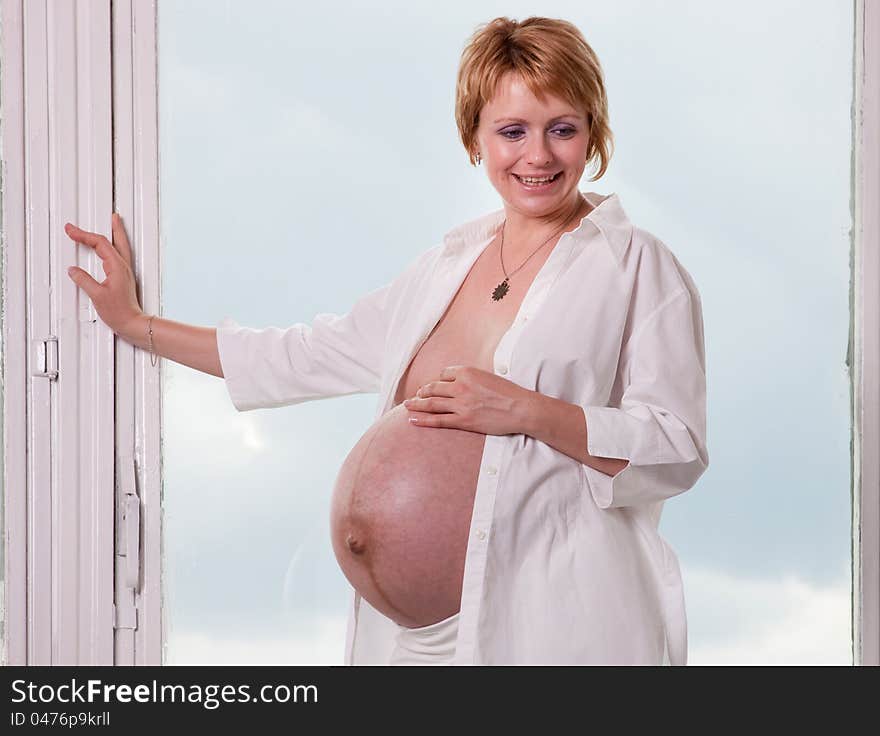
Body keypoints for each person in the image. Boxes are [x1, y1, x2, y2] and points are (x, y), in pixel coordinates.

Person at [65, 15, 708, 665]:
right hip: (402, 643)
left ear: (592, 133)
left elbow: (675, 448)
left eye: (561, 130)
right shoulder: (442, 269)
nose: (537, 155)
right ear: (474, 138)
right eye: (512, 131)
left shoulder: (635, 267)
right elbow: (301, 356)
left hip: (542, 621)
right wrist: (133, 325)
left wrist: (528, 410)